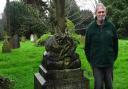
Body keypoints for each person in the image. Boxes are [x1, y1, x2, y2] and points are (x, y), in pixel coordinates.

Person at [84, 3, 118, 89]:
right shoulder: (90, 28)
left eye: (103, 12)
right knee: (98, 86)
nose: (101, 14)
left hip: (109, 63)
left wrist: (112, 58)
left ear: (105, 13)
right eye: (99, 12)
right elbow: (87, 47)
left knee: (109, 86)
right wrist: (91, 61)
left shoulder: (111, 27)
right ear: (95, 13)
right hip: (96, 64)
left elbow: (116, 45)